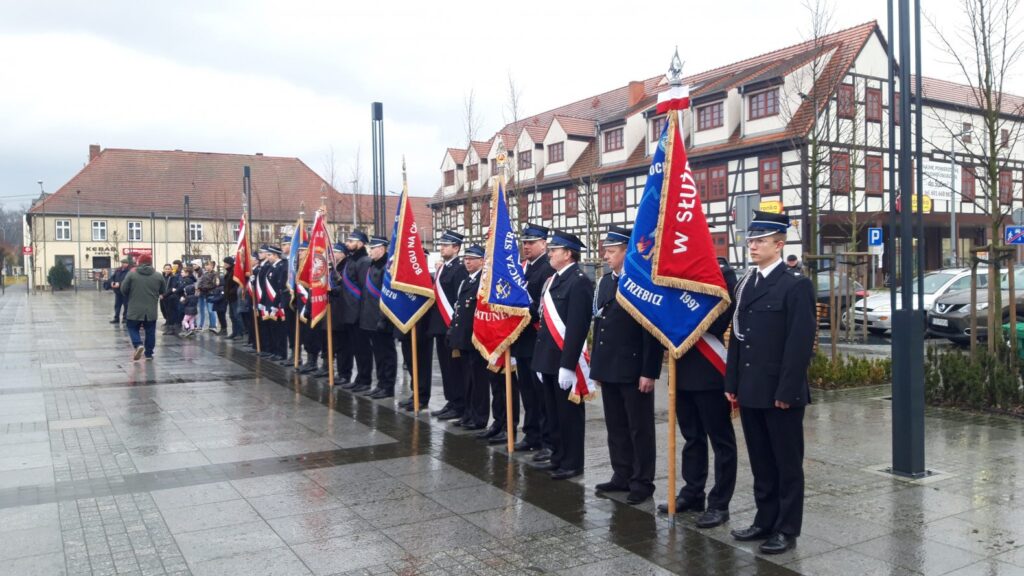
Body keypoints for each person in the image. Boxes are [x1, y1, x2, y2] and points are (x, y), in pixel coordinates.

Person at [726, 211, 816, 555]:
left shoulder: (795, 285)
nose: (752, 245)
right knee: (762, 461)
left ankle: (786, 528)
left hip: (780, 392)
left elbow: (798, 343)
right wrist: (732, 381)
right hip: (751, 388)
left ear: (779, 245)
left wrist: (788, 391)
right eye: (751, 240)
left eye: (760, 240)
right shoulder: (748, 284)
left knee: (786, 463)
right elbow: (738, 337)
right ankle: (764, 520)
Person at [657, 249, 739, 527]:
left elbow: (719, 319)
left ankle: (720, 503)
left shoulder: (721, 273)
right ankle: (693, 492)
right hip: (681, 369)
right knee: (691, 437)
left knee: (721, 440)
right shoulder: (672, 272)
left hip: (708, 368)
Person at [590, 226, 664, 505]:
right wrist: (597, 367)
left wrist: (649, 371)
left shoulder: (642, 283)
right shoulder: (606, 282)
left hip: (634, 369)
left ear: (626, 251)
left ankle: (642, 481)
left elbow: (651, 331)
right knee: (616, 426)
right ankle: (621, 474)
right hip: (609, 366)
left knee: (639, 428)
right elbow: (600, 325)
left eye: (611, 251)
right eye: (606, 251)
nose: (606, 256)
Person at [532, 230, 594, 481]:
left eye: (554, 250)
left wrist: (568, 365)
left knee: (569, 415)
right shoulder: (553, 280)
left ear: (568, 254)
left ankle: (572, 462)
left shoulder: (579, 281)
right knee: (553, 412)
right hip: (547, 359)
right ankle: (558, 456)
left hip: (564, 361)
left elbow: (578, 327)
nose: (550, 254)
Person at [513, 224, 556, 461]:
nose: (526, 246)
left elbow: (542, 307)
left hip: (537, 338)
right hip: (522, 339)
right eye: (524, 242)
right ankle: (532, 434)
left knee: (541, 395)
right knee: (527, 392)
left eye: (531, 242)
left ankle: (546, 440)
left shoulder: (547, 269)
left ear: (543, 243)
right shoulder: (522, 268)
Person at [428, 230, 469, 421]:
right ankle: (451, 400)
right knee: (445, 368)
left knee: (454, 368)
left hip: (450, 325)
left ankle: (459, 403)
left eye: (446, 245)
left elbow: (457, 300)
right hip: (439, 326)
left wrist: (454, 326)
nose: (442, 247)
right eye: (441, 244)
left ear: (456, 248)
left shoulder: (459, 269)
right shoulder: (444, 267)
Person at [446, 245, 487, 430]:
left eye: (472, 258)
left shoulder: (483, 282)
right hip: (463, 339)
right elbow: (458, 309)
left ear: (482, 261)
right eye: (465, 258)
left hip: (475, 340)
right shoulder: (466, 281)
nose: (467, 261)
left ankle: (479, 417)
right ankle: (468, 414)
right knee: (467, 380)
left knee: (478, 381)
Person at [359, 235, 396, 398]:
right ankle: (381, 383)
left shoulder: (386, 268)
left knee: (387, 354)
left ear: (381, 249)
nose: (370, 251)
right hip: (370, 318)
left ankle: (388, 386)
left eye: (372, 249)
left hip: (383, 319)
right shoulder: (372, 266)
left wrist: (383, 318)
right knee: (378, 354)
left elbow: (387, 295)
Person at [340, 231, 373, 391]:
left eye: (351, 241)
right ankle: (359, 378)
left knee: (363, 348)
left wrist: (361, 313)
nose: (347, 243)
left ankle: (365, 380)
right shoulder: (351, 260)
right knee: (356, 348)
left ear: (361, 243)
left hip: (359, 314)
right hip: (349, 313)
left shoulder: (364, 261)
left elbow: (364, 289)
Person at [120, 254, 167, 360]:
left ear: (139, 262)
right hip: (151, 310)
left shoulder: (131, 274)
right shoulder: (158, 275)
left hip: (134, 309)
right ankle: (149, 353)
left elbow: (123, 290)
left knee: (132, 327)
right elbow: (163, 291)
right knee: (150, 331)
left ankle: (138, 344)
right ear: (150, 262)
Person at [196, 260, 220, 333]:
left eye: (208, 265)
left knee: (211, 310)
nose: (206, 266)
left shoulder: (215, 274)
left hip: (211, 293)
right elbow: (200, 282)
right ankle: (206, 325)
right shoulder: (204, 274)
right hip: (204, 293)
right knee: (204, 310)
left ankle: (213, 326)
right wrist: (199, 287)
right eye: (205, 265)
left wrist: (203, 287)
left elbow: (214, 284)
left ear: (212, 266)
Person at [223, 256, 243, 339]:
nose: (224, 265)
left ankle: (240, 333)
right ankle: (234, 332)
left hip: (235, 297)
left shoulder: (234, 271)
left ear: (229, 264)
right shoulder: (228, 272)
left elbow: (237, 284)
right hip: (230, 297)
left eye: (225, 263)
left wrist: (231, 291)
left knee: (236, 315)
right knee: (231, 315)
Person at [108, 258, 132, 324]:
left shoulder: (129, 271)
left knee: (126, 306)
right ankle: (116, 318)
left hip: (125, 292)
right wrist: (112, 282)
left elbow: (128, 281)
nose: (123, 264)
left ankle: (125, 318)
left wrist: (120, 284)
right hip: (117, 292)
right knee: (117, 305)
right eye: (122, 263)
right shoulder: (118, 270)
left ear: (127, 264)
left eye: (124, 263)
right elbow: (111, 277)